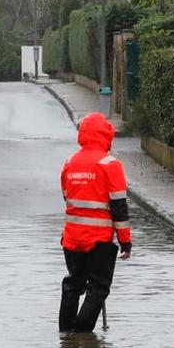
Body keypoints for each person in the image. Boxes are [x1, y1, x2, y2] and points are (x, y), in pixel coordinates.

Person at [59, 112, 132, 333]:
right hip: (99, 240)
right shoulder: (110, 164)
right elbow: (119, 208)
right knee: (98, 288)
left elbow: (66, 196)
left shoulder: (69, 162)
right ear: (105, 136)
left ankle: (65, 336)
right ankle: (82, 336)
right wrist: (125, 242)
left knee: (73, 284)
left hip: (71, 238)